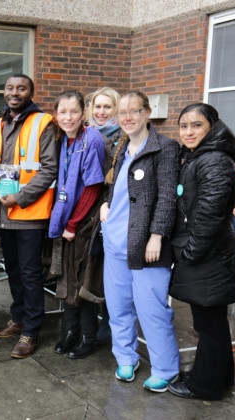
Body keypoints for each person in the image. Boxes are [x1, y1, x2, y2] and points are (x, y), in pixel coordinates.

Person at [100, 90, 180, 392]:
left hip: (148, 245)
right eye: (123, 112)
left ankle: (166, 368)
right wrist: (105, 206)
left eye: (135, 111)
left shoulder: (166, 148)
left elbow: (167, 197)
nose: (128, 117)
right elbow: (115, 188)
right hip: (115, 242)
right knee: (119, 307)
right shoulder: (120, 148)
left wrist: (157, 235)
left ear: (147, 112)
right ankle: (126, 357)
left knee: (152, 309)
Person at [168, 103, 235, 400]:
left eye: (196, 125)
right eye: (184, 125)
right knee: (212, 323)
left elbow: (209, 216)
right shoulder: (200, 156)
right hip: (209, 255)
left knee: (209, 325)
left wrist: (189, 255)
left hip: (209, 255)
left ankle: (205, 386)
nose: (189, 131)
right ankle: (218, 377)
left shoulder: (212, 161)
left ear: (211, 126)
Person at [0, 74, 59, 359]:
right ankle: (18, 318)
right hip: (5, 211)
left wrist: (21, 197)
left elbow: (49, 169)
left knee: (29, 273)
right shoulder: (0, 123)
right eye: (10, 88)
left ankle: (31, 330)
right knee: (12, 269)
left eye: (21, 88)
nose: (14, 93)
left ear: (30, 92)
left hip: (31, 212)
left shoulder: (43, 122)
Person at [49, 91, 105, 359]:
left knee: (81, 280)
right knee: (66, 278)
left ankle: (88, 337)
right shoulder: (62, 140)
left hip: (83, 222)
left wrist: (72, 223)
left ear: (83, 112)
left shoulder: (91, 138)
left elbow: (93, 187)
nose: (68, 117)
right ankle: (70, 331)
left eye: (73, 111)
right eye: (63, 112)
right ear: (56, 114)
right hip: (66, 218)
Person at [85, 86, 123, 344]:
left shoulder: (124, 137)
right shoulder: (85, 134)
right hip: (87, 210)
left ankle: (110, 321)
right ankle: (92, 320)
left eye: (107, 107)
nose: (101, 112)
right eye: (97, 106)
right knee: (91, 266)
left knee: (110, 269)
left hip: (112, 209)